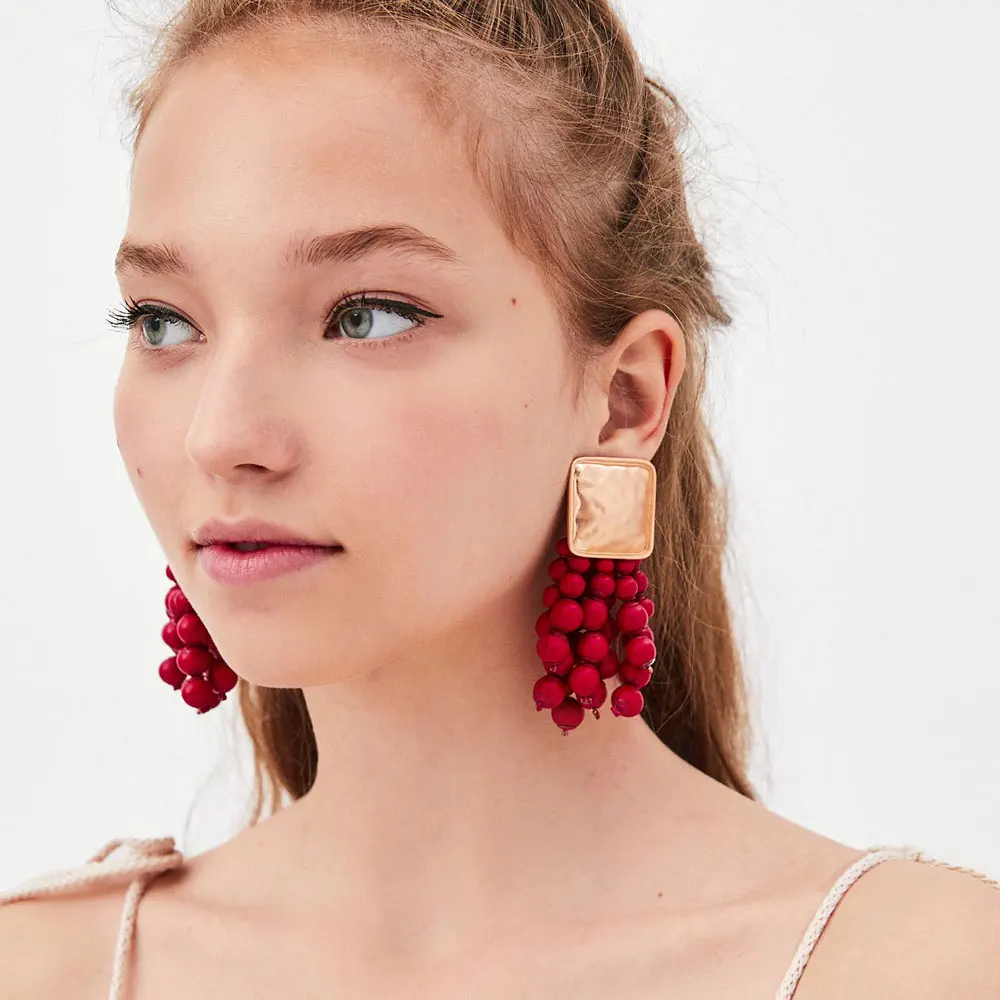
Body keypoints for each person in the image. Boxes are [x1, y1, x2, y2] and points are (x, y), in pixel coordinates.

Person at [2, 1, 998, 997]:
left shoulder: (917, 970)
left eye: (368, 315)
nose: (220, 436)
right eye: (164, 322)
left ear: (624, 398)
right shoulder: (46, 970)